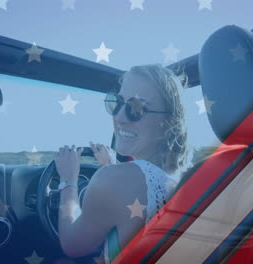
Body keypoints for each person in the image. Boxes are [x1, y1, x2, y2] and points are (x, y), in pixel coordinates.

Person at [54, 64, 189, 263]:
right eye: (117, 103)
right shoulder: (181, 176)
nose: (119, 117)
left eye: (137, 108)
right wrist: (112, 165)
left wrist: (68, 181)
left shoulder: (112, 179)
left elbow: (71, 245)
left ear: (167, 121)